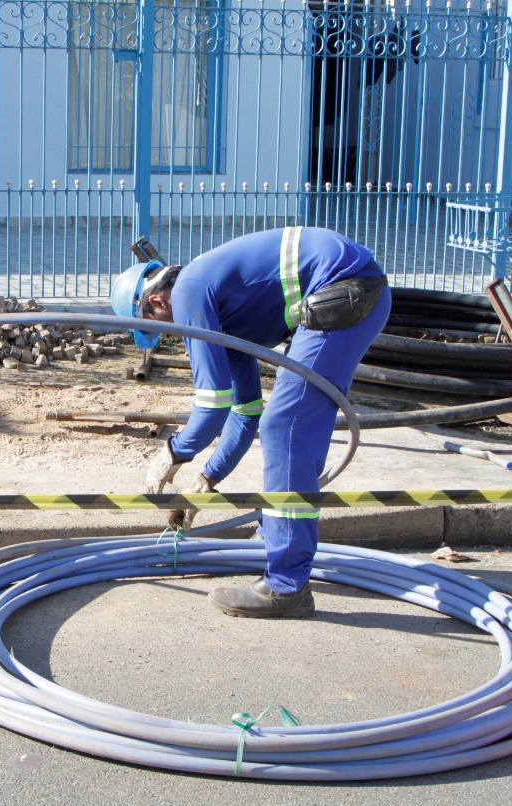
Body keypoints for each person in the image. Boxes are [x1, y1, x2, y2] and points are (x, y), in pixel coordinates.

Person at [111, 227, 391, 619]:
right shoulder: (224, 313)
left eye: (154, 327)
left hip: (343, 286)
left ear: (156, 301)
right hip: (347, 290)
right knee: (283, 421)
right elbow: (245, 412)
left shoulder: (191, 291)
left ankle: (286, 586)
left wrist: (172, 453)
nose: (167, 337)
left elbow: (210, 407)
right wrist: (207, 479)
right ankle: (276, 539)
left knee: (287, 424)